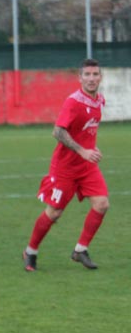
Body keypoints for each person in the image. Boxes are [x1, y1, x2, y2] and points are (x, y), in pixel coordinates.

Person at [23, 58, 109, 271]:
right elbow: (58, 132)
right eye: (87, 75)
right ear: (80, 78)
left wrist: (92, 148)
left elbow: (85, 131)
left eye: (95, 74)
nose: (91, 78)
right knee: (54, 212)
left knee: (102, 204)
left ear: (100, 77)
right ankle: (30, 251)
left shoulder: (99, 100)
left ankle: (80, 250)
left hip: (87, 166)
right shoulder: (73, 102)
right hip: (65, 168)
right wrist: (83, 151)